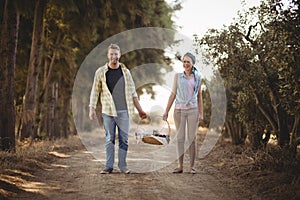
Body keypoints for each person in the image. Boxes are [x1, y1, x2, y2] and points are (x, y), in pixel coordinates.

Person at [89, 43, 147, 174]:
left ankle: (123, 165)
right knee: (110, 138)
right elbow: (95, 91)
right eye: (111, 54)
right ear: (108, 55)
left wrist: (140, 110)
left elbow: (133, 93)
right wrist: (91, 108)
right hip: (108, 112)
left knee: (124, 139)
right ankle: (108, 166)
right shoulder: (101, 72)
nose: (114, 56)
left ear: (119, 55)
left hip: (124, 111)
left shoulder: (126, 72)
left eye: (116, 54)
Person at [163, 52, 203, 174]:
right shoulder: (177, 76)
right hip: (179, 111)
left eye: (188, 62)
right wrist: (166, 111)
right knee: (180, 138)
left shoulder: (197, 78)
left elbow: (199, 96)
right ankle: (180, 166)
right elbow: (173, 94)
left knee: (192, 139)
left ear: (192, 64)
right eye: (184, 61)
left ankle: (192, 166)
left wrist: (201, 113)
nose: (185, 64)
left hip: (193, 110)